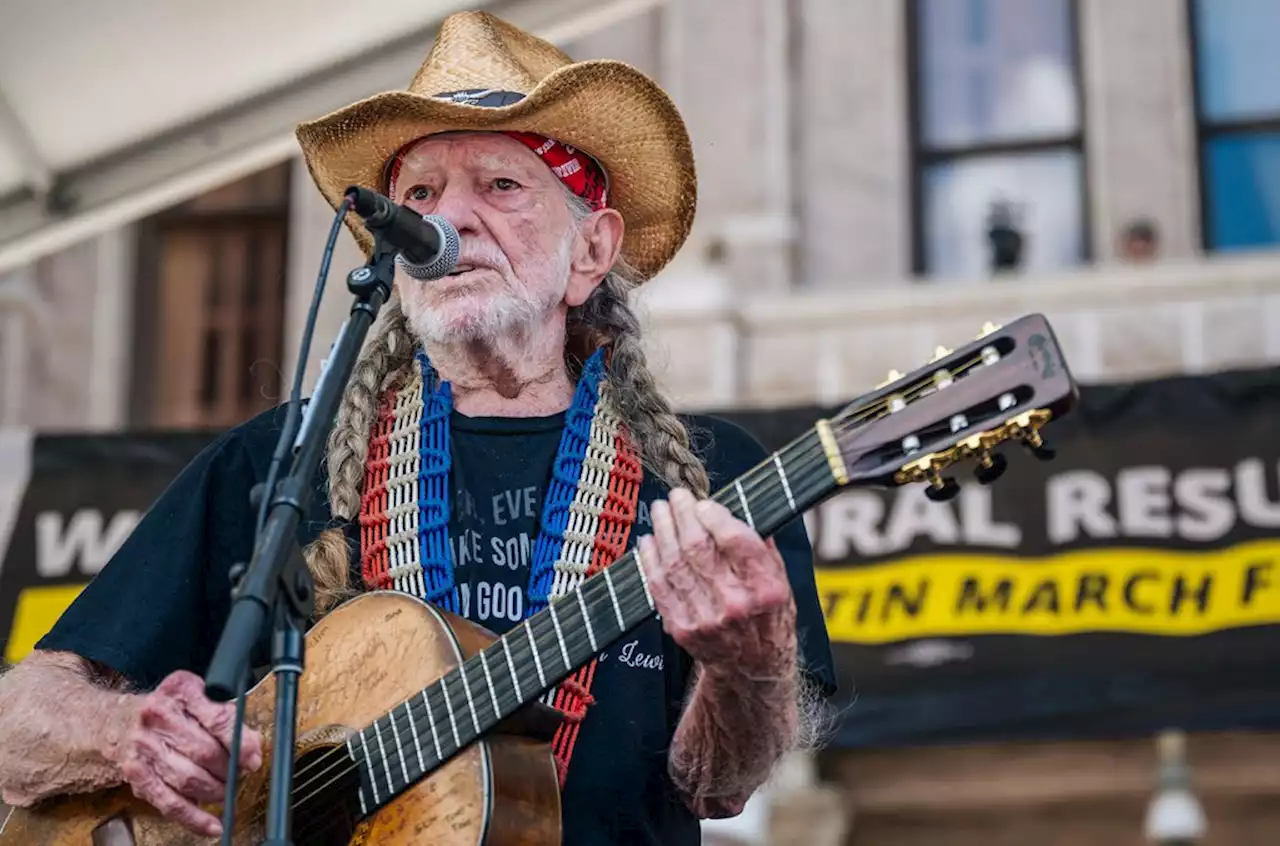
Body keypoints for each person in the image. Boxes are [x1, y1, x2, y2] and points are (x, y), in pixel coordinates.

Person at [0, 11, 835, 845]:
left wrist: (747, 664)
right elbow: (20, 721)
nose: (451, 220)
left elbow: (717, 790)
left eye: (501, 186)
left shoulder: (708, 476)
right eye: (420, 195)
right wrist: (129, 736)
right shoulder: (284, 458)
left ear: (591, 251)